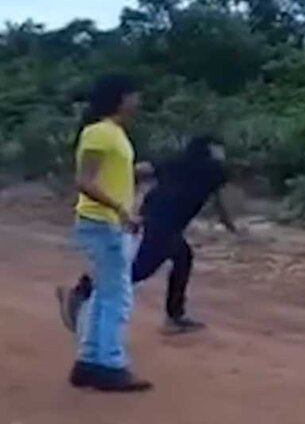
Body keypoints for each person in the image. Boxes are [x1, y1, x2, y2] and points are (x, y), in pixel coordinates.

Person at [57, 135, 241, 339]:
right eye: (219, 149)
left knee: (182, 258)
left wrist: (110, 182)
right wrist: (230, 225)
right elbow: (218, 199)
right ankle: (81, 291)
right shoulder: (214, 171)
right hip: (165, 224)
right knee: (139, 270)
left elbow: (141, 170)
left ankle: (175, 316)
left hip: (154, 215)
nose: (222, 153)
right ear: (210, 150)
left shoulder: (177, 162)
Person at [60, 73, 151, 392]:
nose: (138, 101)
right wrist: (121, 209)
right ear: (121, 97)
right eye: (134, 94)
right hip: (103, 223)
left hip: (104, 222)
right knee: (117, 297)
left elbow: (105, 175)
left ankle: (89, 362)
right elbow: (85, 180)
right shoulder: (101, 133)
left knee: (103, 295)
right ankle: (110, 363)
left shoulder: (113, 133)